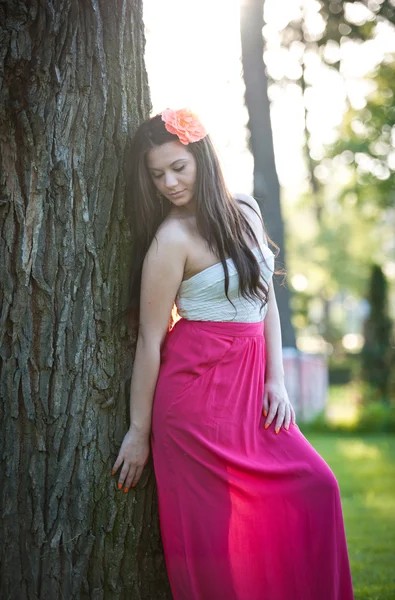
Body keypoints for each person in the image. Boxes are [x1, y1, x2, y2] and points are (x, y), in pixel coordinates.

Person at [112, 108, 354, 600]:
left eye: (178, 167)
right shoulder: (170, 240)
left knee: (318, 486)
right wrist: (139, 433)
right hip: (195, 398)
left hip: (253, 383)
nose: (169, 183)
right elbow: (150, 343)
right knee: (213, 539)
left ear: (201, 155)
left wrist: (277, 379)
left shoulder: (244, 209)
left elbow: (263, 299)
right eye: (157, 174)